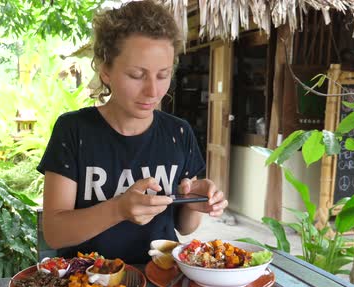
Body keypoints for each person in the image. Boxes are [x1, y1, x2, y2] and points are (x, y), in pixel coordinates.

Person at [36, 0, 228, 264]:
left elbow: (185, 227)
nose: (153, 91)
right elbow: (55, 233)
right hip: (87, 286)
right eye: (137, 75)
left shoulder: (178, 133)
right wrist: (119, 209)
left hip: (160, 279)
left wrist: (193, 200)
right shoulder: (74, 131)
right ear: (105, 71)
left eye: (163, 75)